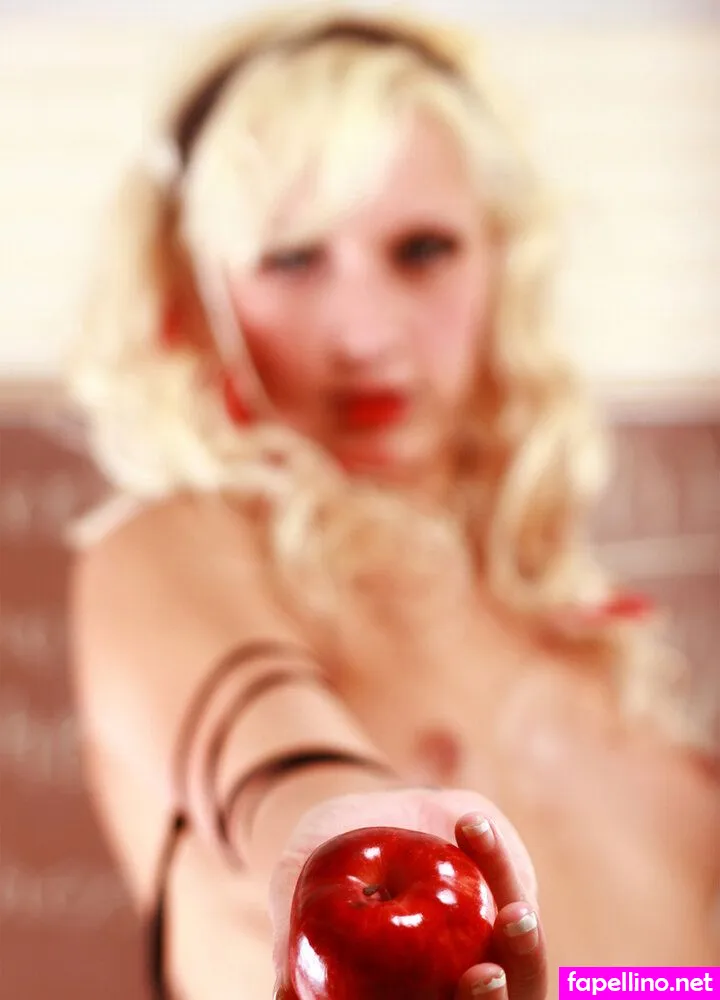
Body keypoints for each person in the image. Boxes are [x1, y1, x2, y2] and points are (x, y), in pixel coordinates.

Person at [65, 6, 720, 999]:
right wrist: (351, 845)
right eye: (291, 258)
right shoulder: (173, 547)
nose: (363, 331)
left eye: (421, 250)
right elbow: (278, 765)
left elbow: (624, 983)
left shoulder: (590, 650)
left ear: (503, 261)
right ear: (198, 295)